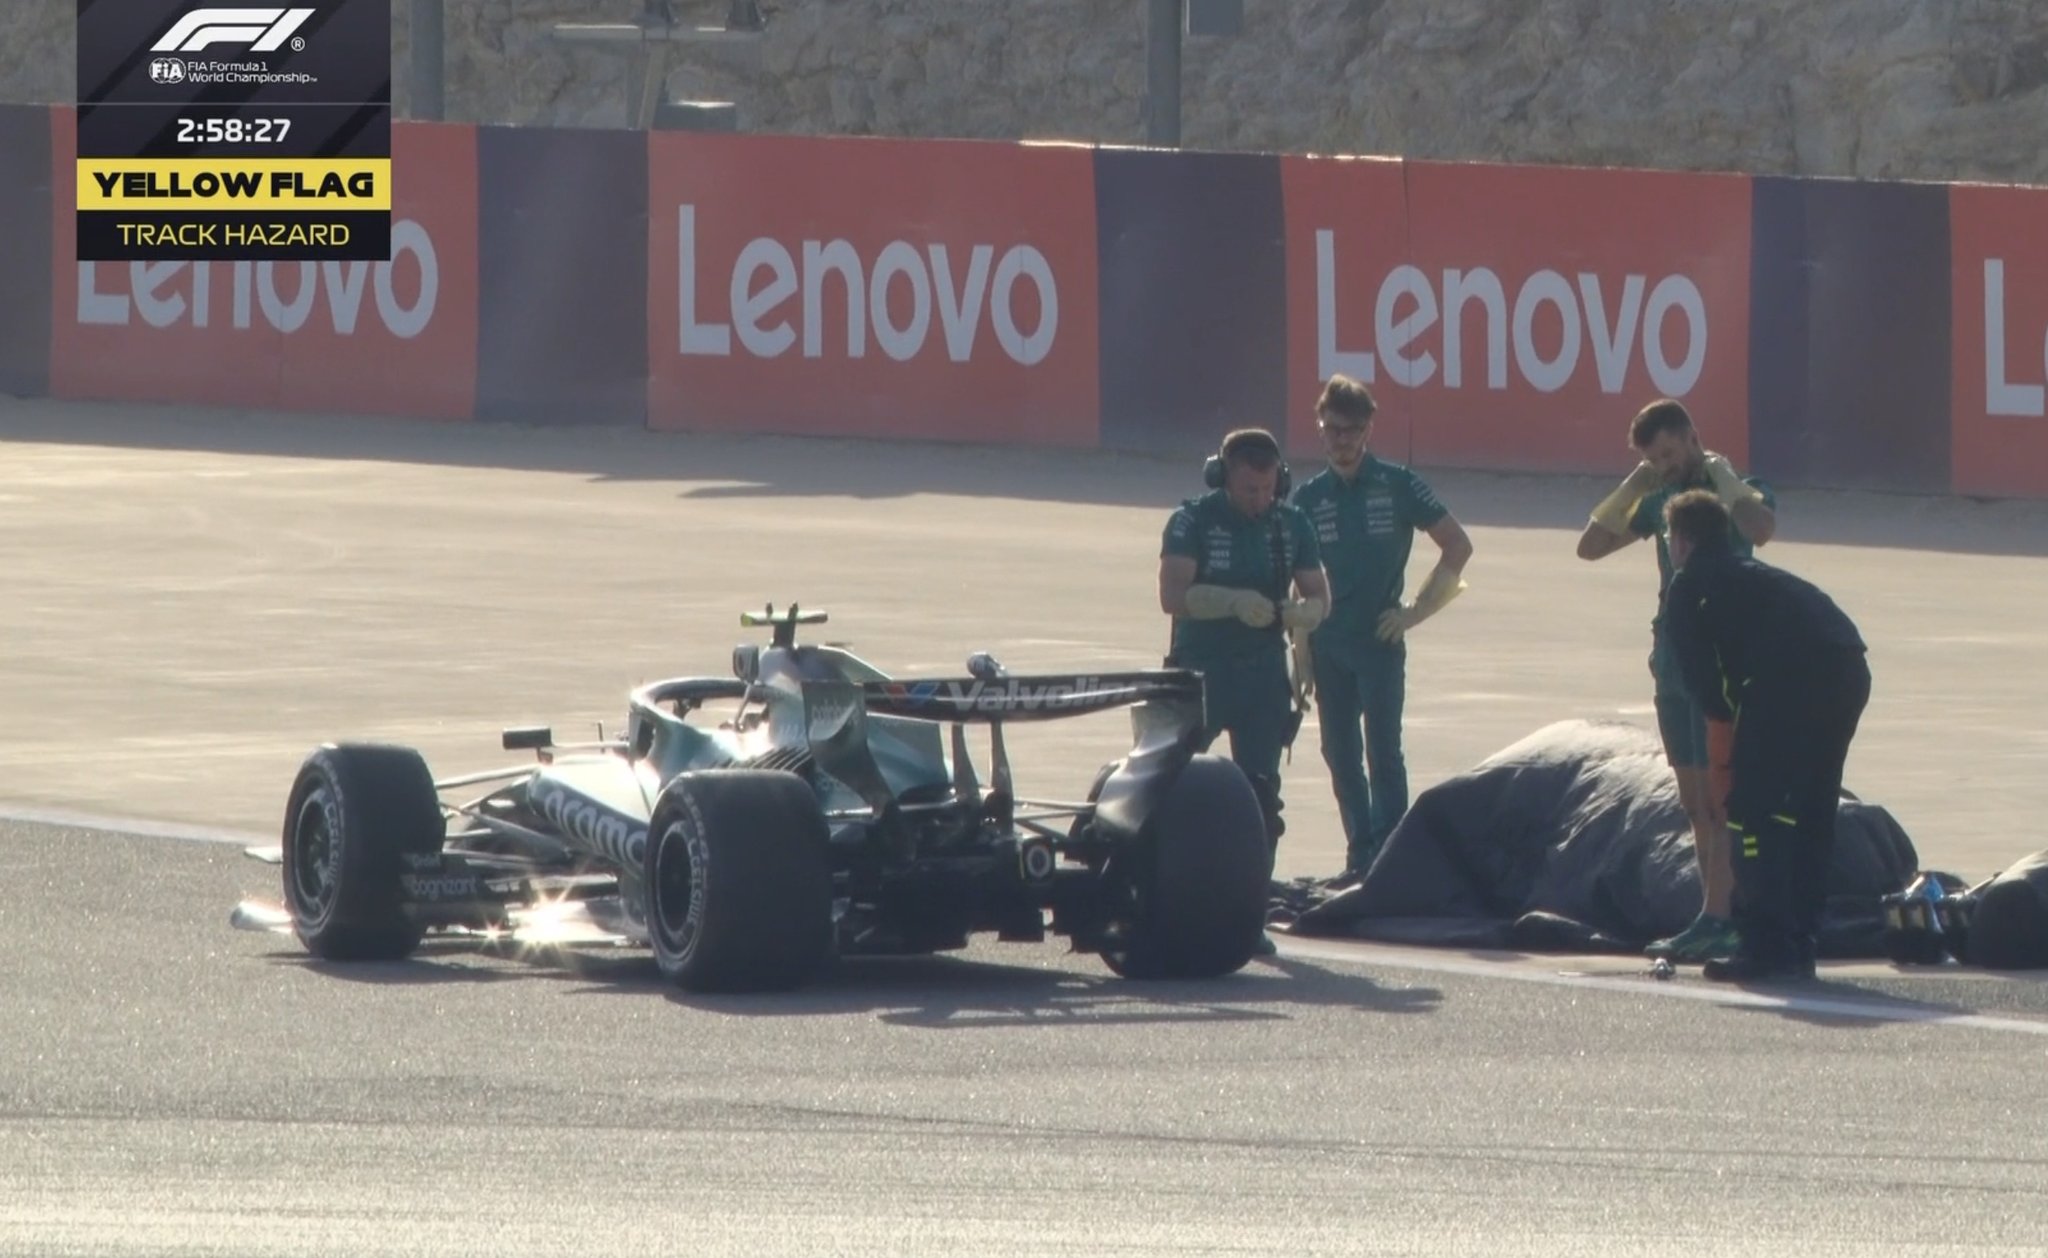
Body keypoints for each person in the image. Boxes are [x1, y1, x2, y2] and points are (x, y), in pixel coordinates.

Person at [1575, 399, 1776, 963]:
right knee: (1693, 802)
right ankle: (1710, 912)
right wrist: (1634, 483)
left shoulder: (1742, 490)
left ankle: (1725, 913)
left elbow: (1762, 529)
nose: (1664, 464)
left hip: (1723, 662)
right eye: (1653, 458)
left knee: (1722, 799)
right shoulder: (1659, 498)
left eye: (1668, 452)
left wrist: (1727, 479)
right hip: (1672, 661)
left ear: (1693, 437)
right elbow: (1589, 546)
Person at [1660, 490, 1870, 982]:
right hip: (1848, 668)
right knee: (1812, 808)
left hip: (1791, 682)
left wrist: (1730, 759)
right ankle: (1800, 939)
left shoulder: (1690, 584)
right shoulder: (1753, 577)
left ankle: (1764, 945)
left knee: (1754, 813)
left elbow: (1703, 684)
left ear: (1680, 541)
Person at [1288, 375, 1473, 880]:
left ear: (1368, 429)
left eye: (1350, 430)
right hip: (1329, 645)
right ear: (1319, 429)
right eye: (1331, 430)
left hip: (1379, 641)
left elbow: (1458, 544)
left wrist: (1415, 611)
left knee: (1383, 751)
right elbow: (1296, 585)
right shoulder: (1307, 497)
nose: (1340, 441)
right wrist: (1299, 656)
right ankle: (1360, 851)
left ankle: (1393, 858)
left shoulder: (1397, 483)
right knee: (1339, 752)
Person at [1158, 427, 1331, 859]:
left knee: (1261, 796)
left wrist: (1306, 612)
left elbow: (1318, 593)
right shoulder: (1191, 520)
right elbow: (1172, 596)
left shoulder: (1292, 525)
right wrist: (1230, 601)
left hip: (1262, 675)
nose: (1259, 498)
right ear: (1222, 478)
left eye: (1268, 488)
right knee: (1168, 781)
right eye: (1248, 489)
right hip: (1200, 672)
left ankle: (1251, 895)